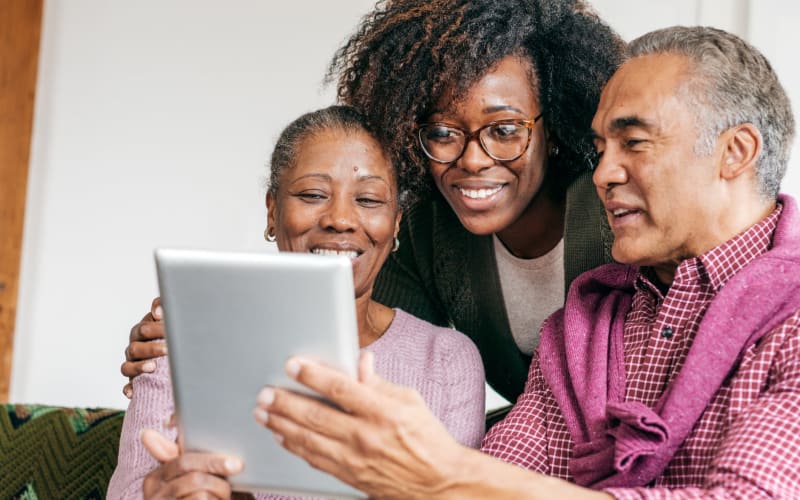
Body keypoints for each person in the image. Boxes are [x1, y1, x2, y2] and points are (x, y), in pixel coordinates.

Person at [250, 26, 800, 498]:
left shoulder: (790, 322)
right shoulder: (582, 327)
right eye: (601, 147)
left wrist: (446, 474)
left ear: (736, 152)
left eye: (633, 142)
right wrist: (203, 321)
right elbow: (503, 473)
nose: (604, 172)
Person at [122, 0, 626, 407]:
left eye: (505, 129)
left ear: (554, 126)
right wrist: (193, 331)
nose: (473, 159)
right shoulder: (425, 230)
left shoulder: (613, 209)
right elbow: (380, 355)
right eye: (443, 132)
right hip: (528, 453)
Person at [107, 105, 486, 499]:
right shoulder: (181, 341)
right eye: (312, 194)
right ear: (273, 212)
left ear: (395, 224)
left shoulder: (447, 360)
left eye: (370, 200)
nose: (340, 219)